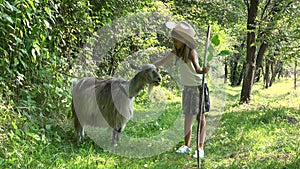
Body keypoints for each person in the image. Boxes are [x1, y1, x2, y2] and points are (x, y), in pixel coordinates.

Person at [153, 21, 210, 158]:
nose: (174, 42)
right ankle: (187, 145)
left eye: (176, 40)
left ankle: (200, 148)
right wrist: (149, 66)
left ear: (184, 40)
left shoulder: (191, 53)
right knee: (188, 117)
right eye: (173, 39)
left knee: (200, 117)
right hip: (188, 88)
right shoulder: (177, 52)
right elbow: (162, 61)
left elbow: (198, 69)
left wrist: (204, 70)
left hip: (198, 87)